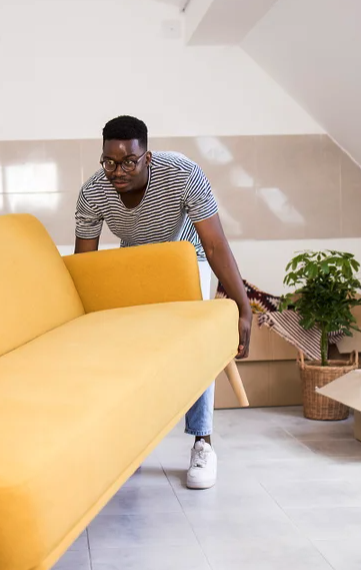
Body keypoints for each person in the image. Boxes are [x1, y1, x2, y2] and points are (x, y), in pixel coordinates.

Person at [74, 115, 252, 490]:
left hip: (187, 256)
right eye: (109, 162)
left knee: (196, 344)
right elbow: (84, 265)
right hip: (134, 259)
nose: (117, 171)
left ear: (148, 157)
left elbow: (216, 245)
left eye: (128, 162)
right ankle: (135, 445)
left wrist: (243, 307)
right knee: (131, 350)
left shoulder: (183, 174)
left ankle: (202, 442)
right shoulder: (93, 193)